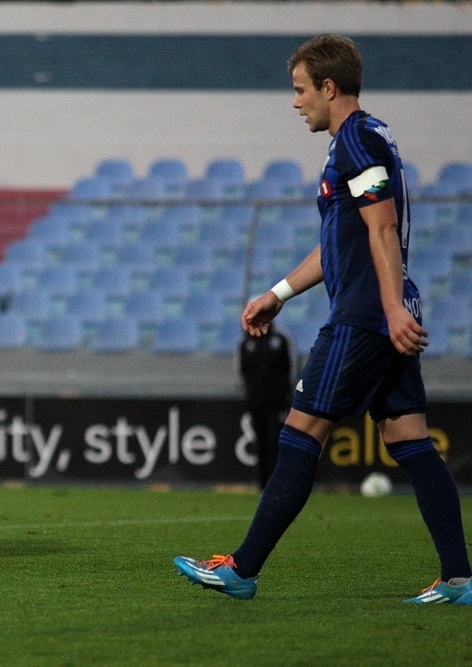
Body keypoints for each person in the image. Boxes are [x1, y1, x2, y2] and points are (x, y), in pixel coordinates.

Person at [174, 34, 472, 603]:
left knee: (300, 431)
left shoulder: (356, 141)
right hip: (382, 307)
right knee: (408, 437)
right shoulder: (370, 136)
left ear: (329, 88)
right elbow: (345, 237)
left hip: (364, 315)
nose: (296, 102)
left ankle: (242, 568)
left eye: (300, 89)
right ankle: (459, 579)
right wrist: (279, 292)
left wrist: (385, 311)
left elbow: (382, 228)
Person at [237, 326, 295, 489]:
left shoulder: (281, 339)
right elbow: (242, 373)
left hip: (277, 403)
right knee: (261, 444)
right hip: (256, 403)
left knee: (276, 442)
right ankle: (263, 484)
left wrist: (287, 396)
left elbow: (291, 367)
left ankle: (279, 482)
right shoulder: (245, 342)